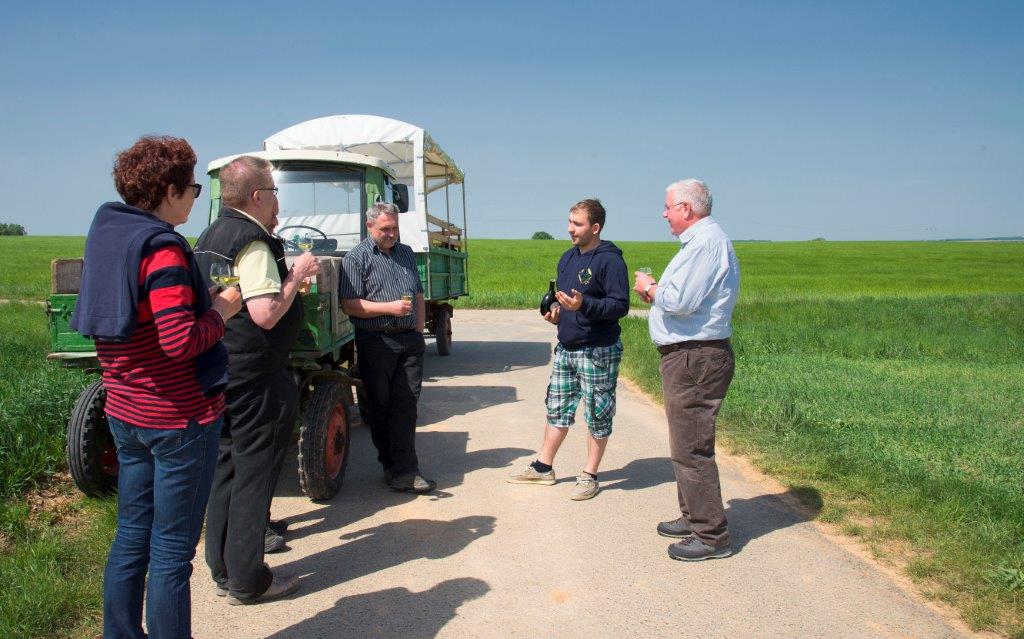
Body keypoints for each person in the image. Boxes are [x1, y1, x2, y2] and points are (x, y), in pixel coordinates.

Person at [72, 135, 242, 639]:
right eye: (191, 188)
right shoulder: (164, 249)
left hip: (126, 411)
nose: (194, 197)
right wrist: (221, 310)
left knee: (130, 537)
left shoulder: (112, 234)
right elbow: (180, 341)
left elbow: (144, 316)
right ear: (169, 190)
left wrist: (199, 300)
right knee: (171, 554)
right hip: (178, 419)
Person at [196, 155, 321, 604]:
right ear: (256, 196)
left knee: (226, 471)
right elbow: (266, 313)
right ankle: (249, 579)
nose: (277, 203)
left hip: (221, 371)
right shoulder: (253, 241)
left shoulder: (210, 235)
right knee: (255, 476)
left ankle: (222, 567)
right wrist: (297, 275)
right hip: (257, 376)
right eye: (272, 192)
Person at [633, 179, 740, 561]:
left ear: (687, 209)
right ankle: (694, 516)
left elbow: (680, 301)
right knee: (685, 443)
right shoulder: (703, 242)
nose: (664, 213)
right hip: (692, 355)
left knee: (691, 447)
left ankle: (711, 536)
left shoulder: (706, 243)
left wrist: (649, 288)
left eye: (668, 207)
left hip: (696, 357)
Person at [507, 198, 629, 500]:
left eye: (578, 224)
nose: (570, 229)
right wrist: (556, 316)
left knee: (598, 414)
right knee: (556, 408)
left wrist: (584, 304)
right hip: (567, 348)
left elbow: (620, 305)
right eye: (569, 222)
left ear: (595, 227)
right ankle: (543, 467)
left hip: (598, 351)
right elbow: (564, 300)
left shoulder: (609, 260)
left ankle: (589, 475)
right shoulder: (568, 258)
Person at [341, 202, 435, 494]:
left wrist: (419, 332)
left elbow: (418, 294)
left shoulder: (405, 252)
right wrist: (390, 308)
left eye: (394, 228)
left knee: (406, 406)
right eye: (385, 229)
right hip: (376, 342)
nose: (392, 234)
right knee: (380, 408)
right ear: (370, 227)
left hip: (409, 341)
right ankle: (390, 466)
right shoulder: (355, 258)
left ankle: (408, 469)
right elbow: (350, 304)